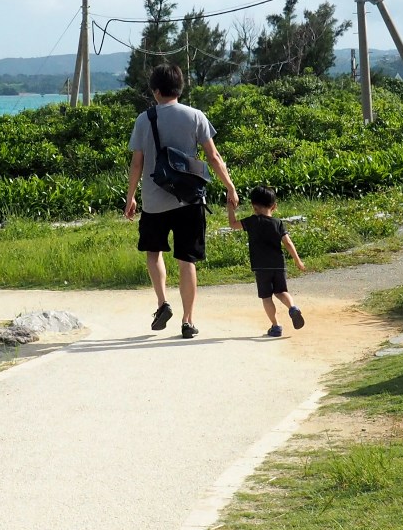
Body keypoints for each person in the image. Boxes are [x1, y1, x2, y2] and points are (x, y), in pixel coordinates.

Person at [124, 63, 237, 339]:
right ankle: (188, 321)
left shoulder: (144, 119)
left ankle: (162, 303)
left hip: (153, 201)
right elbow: (213, 157)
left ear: (155, 91)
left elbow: (136, 163)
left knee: (154, 253)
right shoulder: (196, 116)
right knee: (187, 260)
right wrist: (229, 187)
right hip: (189, 200)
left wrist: (131, 197)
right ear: (179, 88)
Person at [237, 187, 305, 336]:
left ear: (254, 206)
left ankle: (276, 326)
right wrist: (297, 260)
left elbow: (232, 224)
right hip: (278, 264)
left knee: (266, 297)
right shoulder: (278, 222)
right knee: (281, 291)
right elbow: (288, 243)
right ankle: (293, 307)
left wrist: (230, 207)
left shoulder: (252, 221)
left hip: (261, 267)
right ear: (274, 206)